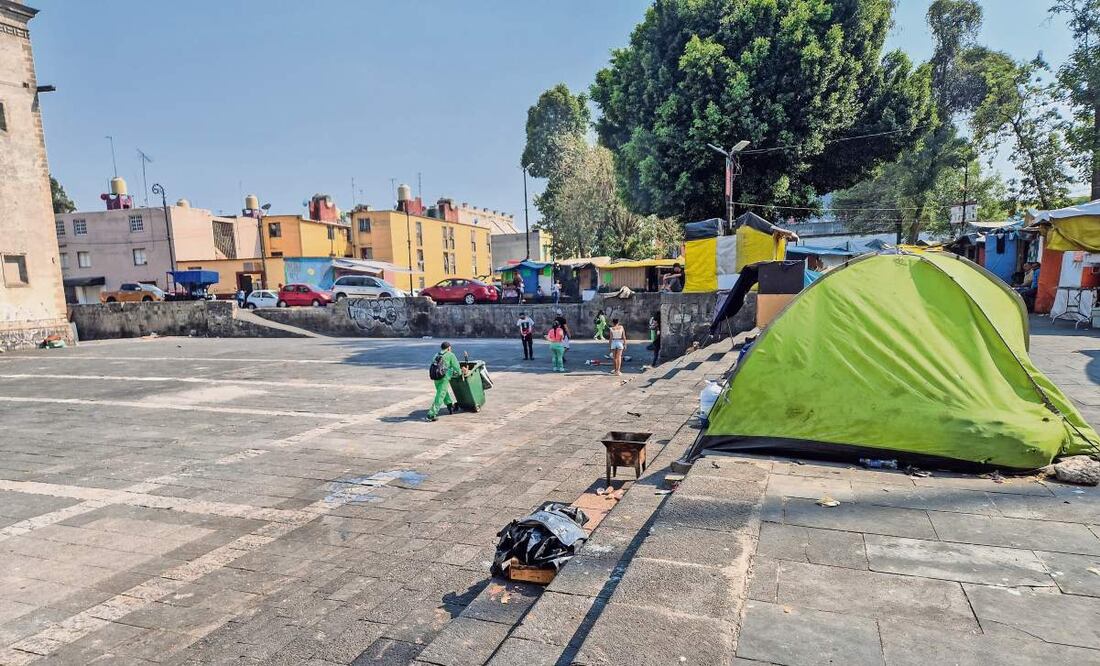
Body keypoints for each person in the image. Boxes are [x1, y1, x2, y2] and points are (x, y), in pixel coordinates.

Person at [427, 341, 464, 422]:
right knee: (440, 395)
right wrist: (460, 373)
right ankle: (431, 414)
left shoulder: (436, 355)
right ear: (449, 348)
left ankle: (450, 406)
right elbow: (456, 366)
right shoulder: (450, 355)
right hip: (444, 378)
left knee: (443, 392)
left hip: (436, 377)